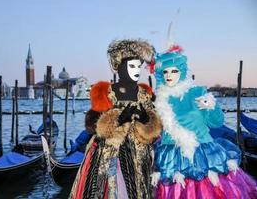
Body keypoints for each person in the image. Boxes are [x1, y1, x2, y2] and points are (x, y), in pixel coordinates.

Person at [151, 45, 257, 198]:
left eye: (174, 71)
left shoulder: (196, 92)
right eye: (165, 71)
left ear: (182, 71)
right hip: (170, 156)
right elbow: (155, 129)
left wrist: (211, 107)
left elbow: (217, 123)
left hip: (202, 152)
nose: (169, 75)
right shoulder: (159, 99)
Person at [70, 39, 162, 199]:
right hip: (109, 155)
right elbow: (92, 126)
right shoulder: (104, 92)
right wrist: (119, 120)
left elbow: (155, 129)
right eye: (132, 66)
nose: (136, 71)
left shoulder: (145, 93)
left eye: (139, 66)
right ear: (119, 66)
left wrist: (145, 118)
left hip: (139, 158)